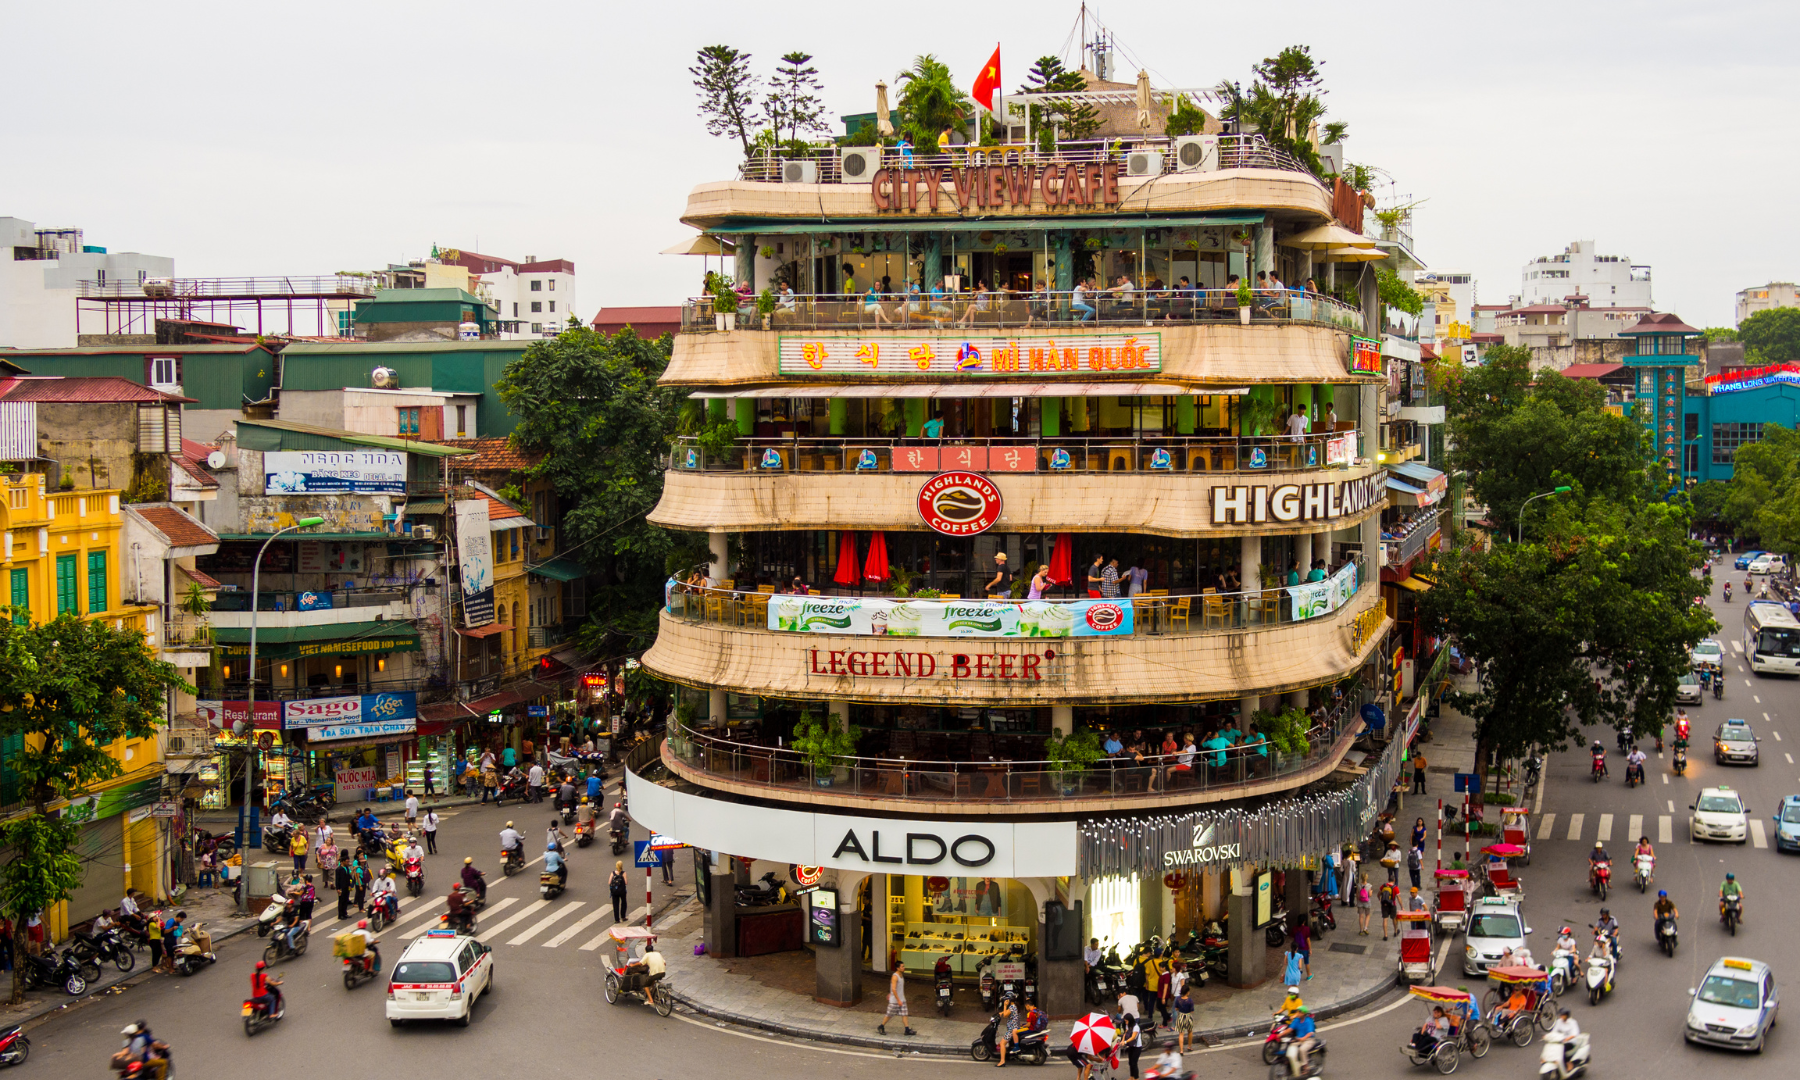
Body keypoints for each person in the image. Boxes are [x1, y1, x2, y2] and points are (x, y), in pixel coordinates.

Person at [880, 962, 914, 1036]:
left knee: (904, 1014)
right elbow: (894, 989)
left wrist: (891, 993)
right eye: (902, 966)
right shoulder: (895, 976)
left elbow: (892, 987)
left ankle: (907, 1029)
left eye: (903, 966)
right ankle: (881, 1026)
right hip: (895, 1001)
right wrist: (898, 1000)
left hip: (902, 999)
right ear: (897, 968)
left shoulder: (901, 975)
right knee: (889, 1014)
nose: (904, 967)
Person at [1286, 1004, 1317, 1076]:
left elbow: (1310, 1033)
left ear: (1303, 1013)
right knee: (1290, 1046)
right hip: (1299, 1039)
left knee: (1302, 1050)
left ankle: (1306, 1067)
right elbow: (1290, 1029)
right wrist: (1281, 1034)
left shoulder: (1308, 1021)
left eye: (1299, 1012)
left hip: (1308, 1040)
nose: (1297, 1013)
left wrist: (1303, 1038)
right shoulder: (1296, 1020)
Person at [335, 851, 355, 920]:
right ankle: (340, 915)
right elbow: (337, 880)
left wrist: (350, 885)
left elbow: (349, 877)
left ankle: (345, 913)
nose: (348, 863)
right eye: (346, 861)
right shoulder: (339, 869)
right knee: (341, 901)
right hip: (341, 888)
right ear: (342, 862)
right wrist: (338, 889)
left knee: (345, 900)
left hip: (347, 887)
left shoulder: (346, 868)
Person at [1291, 916, 1311, 980]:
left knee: (1296, 962)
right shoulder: (1306, 928)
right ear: (1304, 921)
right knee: (1306, 962)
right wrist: (1310, 949)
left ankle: (1296, 975)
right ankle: (1308, 975)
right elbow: (1308, 940)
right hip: (1305, 948)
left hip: (1296, 948)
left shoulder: (1294, 928)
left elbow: (1292, 937)